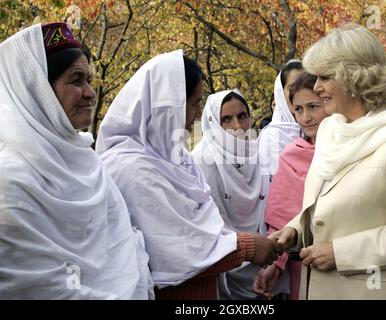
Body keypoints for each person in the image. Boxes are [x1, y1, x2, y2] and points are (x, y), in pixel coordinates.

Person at [270, 23, 386, 299]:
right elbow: (328, 205)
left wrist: (339, 253)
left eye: (325, 77)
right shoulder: (332, 131)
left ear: (355, 77)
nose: (316, 88)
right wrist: (295, 230)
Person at [95, 50, 282, 300]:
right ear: (168, 105)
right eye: (193, 103)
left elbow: (205, 226)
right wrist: (247, 247)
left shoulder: (176, 159)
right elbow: (177, 249)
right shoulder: (130, 168)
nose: (196, 114)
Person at [0, 22, 152, 299]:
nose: (91, 93)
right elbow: (39, 289)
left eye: (89, 80)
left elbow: (125, 249)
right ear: (37, 91)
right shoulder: (10, 182)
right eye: (76, 80)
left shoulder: (89, 165)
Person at [192, 89, 285, 299]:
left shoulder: (260, 153)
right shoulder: (200, 163)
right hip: (224, 270)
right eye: (226, 119)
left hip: (270, 264)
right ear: (213, 123)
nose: (237, 127)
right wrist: (246, 250)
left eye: (242, 116)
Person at [253, 72, 328, 300]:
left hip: (350, 258)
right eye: (298, 109)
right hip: (306, 264)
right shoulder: (291, 156)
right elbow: (280, 219)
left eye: (313, 106)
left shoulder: (351, 150)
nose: (306, 118)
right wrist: (275, 264)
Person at [258, 60, 303, 180]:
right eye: (292, 87)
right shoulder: (271, 137)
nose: (299, 93)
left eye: (305, 86)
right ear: (281, 93)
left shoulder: (318, 128)